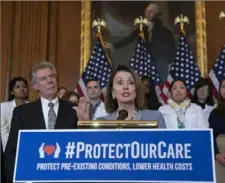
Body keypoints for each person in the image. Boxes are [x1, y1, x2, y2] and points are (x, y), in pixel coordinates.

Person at [4, 61, 78, 183]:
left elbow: (81, 148)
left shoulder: (73, 110)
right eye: (43, 78)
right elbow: (12, 153)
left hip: (65, 178)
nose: (50, 80)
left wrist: (85, 122)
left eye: (52, 76)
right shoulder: (22, 113)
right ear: (35, 85)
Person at [75, 65, 166, 128]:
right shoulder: (102, 122)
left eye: (130, 83)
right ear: (113, 92)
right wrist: (85, 124)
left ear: (137, 90)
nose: (125, 87)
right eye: (120, 82)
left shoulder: (155, 117)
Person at [104, 3, 176, 81]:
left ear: (157, 14)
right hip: (144, 65)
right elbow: (129, 39)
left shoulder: (165, 32)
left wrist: (170, 65)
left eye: (151, 11)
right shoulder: (141, 29)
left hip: (159, 66)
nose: (148, 14)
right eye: (146, 11)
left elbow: (171, 49)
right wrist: (113, 46)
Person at [1, 77, 29, 151]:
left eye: (24, 86)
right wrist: (9, 149)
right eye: (17, 87)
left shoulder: (33, 107)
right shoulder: (3, 107)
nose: (22, 89)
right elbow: (3, 130)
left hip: (28, 145)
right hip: (8, 147)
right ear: (12, 92)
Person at [209, 79, 225, 166]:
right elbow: (210, 136)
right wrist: (216, 154)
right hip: (220, 159)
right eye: (223, 86)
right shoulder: (214, 113)